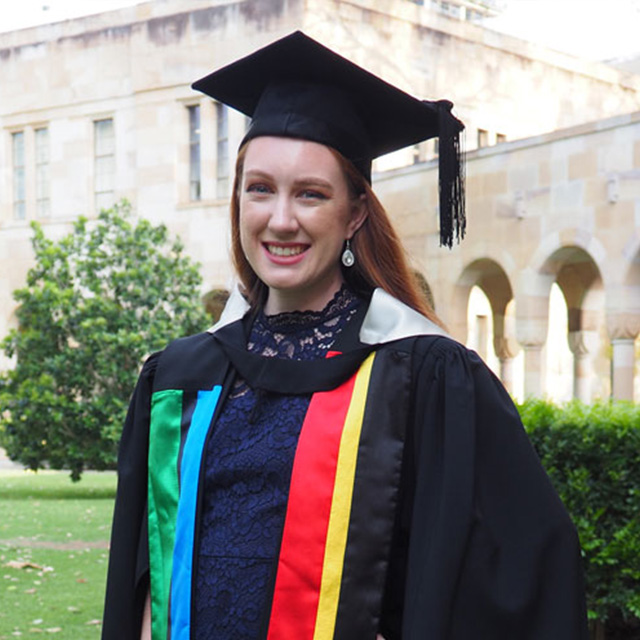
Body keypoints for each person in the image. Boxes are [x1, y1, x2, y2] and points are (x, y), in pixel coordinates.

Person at [102, 31, 588, 640]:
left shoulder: (423, 378)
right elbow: (142, 583)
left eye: (311, 194)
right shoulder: (179, 380)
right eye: (260, 189)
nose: (281, 220)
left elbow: (521, 570)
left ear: (354, 212)